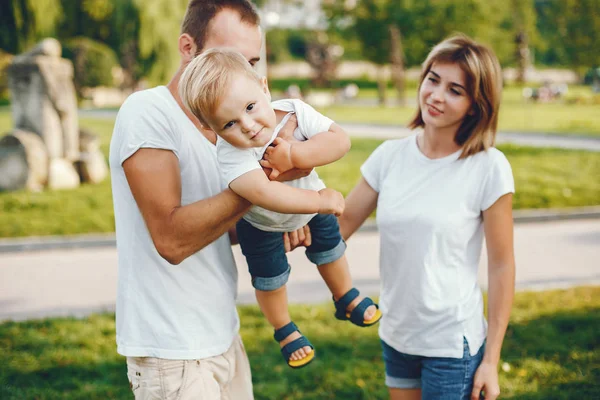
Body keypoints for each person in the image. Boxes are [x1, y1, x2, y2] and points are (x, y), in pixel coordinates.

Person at [109, 1, 310, 398]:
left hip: (222, 334)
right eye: (231, 57)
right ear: (188, 48)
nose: (244, 74)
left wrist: (279, 219)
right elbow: (172, 239)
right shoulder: (148, 111)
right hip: (174, 349)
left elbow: (219, 228)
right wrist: (266, 181)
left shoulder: (229, 132)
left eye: (253, 62)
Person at [178, 48, 382, 369]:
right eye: (230, 122)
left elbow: (339, 141)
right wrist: (319, 201)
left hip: (310, 210)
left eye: (249, 107)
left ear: (264, 87)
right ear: (210, 129)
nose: (247, 125)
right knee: (269, 278)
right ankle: (284, 328)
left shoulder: (294, 113)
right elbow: (263, 193)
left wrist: (296, 156)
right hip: (262, 224)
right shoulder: (229, 154)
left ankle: (345, 295)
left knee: (332, 250)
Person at [338, 34, 516, 400]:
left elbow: (501, 266)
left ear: (475, 105)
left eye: (455, 90)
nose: (436, 95)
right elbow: (339, 227)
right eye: (433, 80)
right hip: (397, 335)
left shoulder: (488, 167)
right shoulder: (389, 157)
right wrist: (285, 216)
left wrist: (491, 360)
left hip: (452, 344)